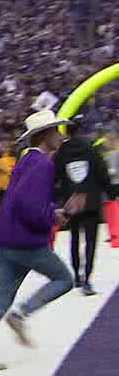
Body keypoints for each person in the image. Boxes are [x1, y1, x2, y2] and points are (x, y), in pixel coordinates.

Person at [0, 111, 85, 372]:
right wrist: (53, 217)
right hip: (26, 242)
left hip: (6, 240)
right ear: (45, 135)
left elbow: (22, 200)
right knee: (64, 279)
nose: (60, 136)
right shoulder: (43, 164)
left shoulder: (27, 159)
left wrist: (53, 211)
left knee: (1, 300)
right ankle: (22, 314)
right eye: (56, 131)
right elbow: (28, 205)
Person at [55, 123, 114, 296]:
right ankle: (87, 279)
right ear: (80, 131)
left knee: (74, 238)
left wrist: (60, 197)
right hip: (91, 201)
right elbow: (102, 173)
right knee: (90, 241)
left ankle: (76, 276)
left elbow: (56, 176)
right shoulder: (91, 149)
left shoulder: (61, 152)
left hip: (71, 202)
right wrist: (111, 193)